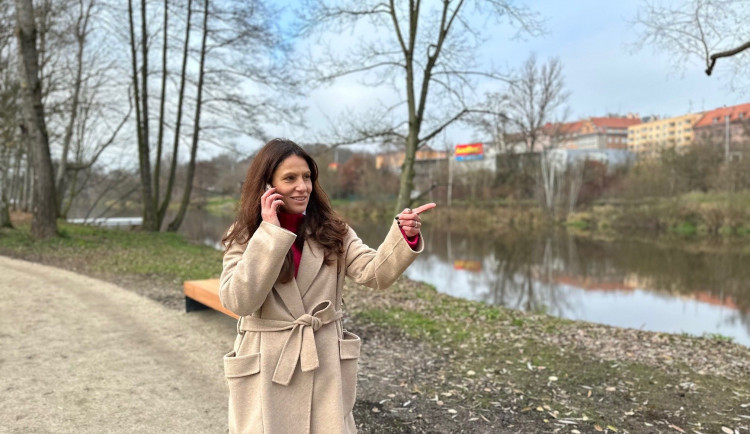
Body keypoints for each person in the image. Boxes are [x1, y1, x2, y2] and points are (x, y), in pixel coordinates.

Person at [219, 138, 435, 433]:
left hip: (322, 359)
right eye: (290, 178)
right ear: (267, 186)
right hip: (267, 363)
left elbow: (375, 274)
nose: (302, 186)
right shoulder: (244, 235)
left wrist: (402, 237)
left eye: (307, 177)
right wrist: (270, 233)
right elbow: (237, 301)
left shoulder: (333, 230)